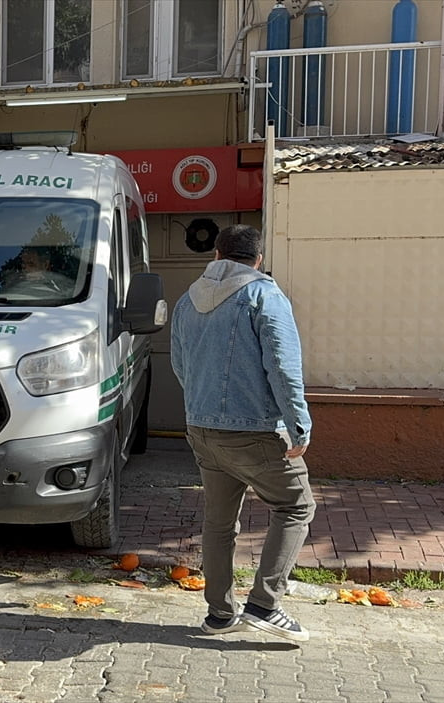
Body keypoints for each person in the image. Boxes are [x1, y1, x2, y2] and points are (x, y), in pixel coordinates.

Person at [168, 224, 316, 643]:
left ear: (216, 255)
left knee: (218, 522)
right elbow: (284, 369)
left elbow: (181, 366)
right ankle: (265, 604)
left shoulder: (187, 301)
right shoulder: (264, 295)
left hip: (201, 429)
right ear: (258, 260)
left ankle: (219, 614)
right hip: (255, 431)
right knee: (296, 506)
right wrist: (299, 425)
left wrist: (204, 407)